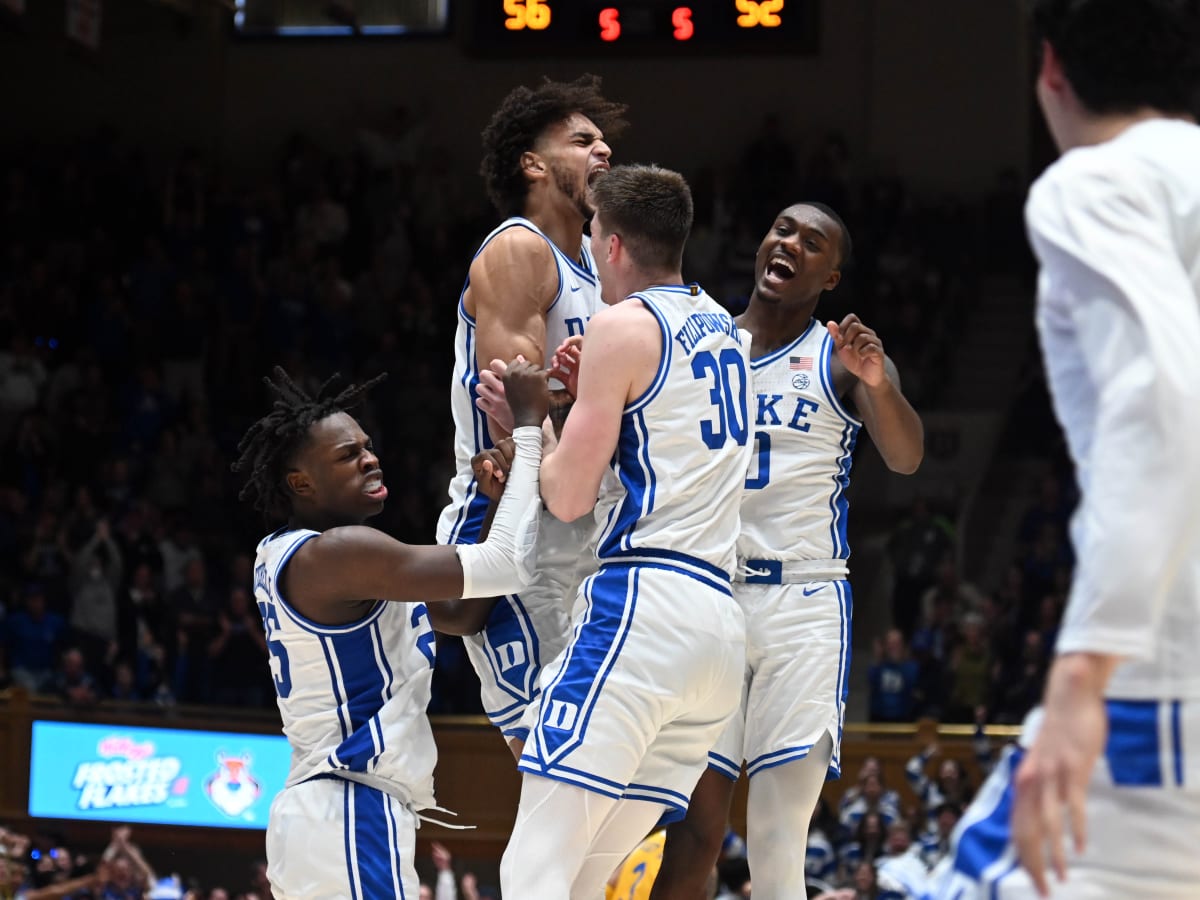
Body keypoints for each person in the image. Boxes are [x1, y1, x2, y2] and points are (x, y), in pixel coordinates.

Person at [927, 1, 1200, 897]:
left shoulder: (1098, 182)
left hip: (1162, 677)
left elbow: (1159, 396)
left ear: (1050, 69)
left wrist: (1082, 674)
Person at [482, 164, 750, 898]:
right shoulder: (725, 327)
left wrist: (529, 424)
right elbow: (650, 454)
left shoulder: (620, 324)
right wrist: (581, 405)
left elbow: (568, 498)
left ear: (615, 245)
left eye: (594, 234)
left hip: (643, 609)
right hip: (718, 633)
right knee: (588, 879)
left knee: (531, 867)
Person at [649, 201, 923, 899]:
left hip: (802, 599)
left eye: (813, 242)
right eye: (781, 229)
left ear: (831, 277)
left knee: (775, 842)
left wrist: (877, 382)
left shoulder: (840, 356)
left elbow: (907, 456)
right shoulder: (706, 344)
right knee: (693, 827)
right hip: (711, 594)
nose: (791, 243)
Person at [232, 364, 548, 899]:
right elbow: (508, 564)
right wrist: (528, 426)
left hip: (324, 812)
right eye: (347, 455)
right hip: (347, 804)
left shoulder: (306, 556)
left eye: (368, 446)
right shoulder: (337, 552)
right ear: (301, 483)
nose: (370, 458)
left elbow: (456, 613)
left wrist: (497, 506)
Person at [437, 75, 627, 758]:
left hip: (585, 520)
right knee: (556, 760)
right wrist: (575, 400)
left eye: (606, 141)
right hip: (518, 520)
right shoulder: (520, 250)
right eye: (583, 141)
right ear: (533, 164)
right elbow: (512, 417)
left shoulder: (601, 272)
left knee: (608, 759)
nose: (604, 151)